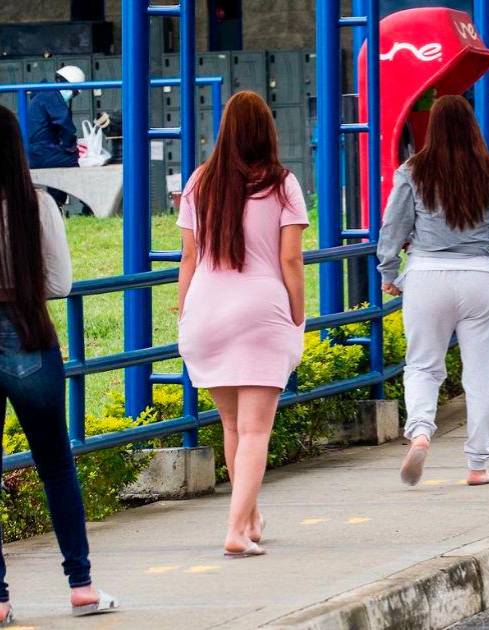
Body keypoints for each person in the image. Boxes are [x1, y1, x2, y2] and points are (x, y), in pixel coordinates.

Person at [176, 91, 308, 558]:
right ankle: (235, 529)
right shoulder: (282, 184)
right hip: (260, 311)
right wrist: (298, 312)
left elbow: (189, 258)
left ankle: (249, 518)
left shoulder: (198, 182)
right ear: (266, 130)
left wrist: (183, 309)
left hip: (205, 311)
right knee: (255, 431)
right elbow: (290, 258)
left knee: (232, 427)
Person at [377, 96, 489, 487]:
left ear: (432, 128)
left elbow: (392, 226)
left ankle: (420, 432)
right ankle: (478, 465)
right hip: (480, 276)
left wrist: (389, 271)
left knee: (423, 366)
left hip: (427, 275)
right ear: (471, 126)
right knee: (481, 375)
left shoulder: (412, 170)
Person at [0, 106, 118, 623]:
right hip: (27, 335)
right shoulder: (37, 204)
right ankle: (82, 585)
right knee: (56, 468)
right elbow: (59, 284)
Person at [26, 65, 84, 171]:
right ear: (68, 85)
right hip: (40, 152)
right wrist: (71, 146)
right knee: (74, 160)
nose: (72, 96)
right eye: (74, 93)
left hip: (33, 151)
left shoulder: (44, 93)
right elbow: (65, 124)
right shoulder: (52, 95)